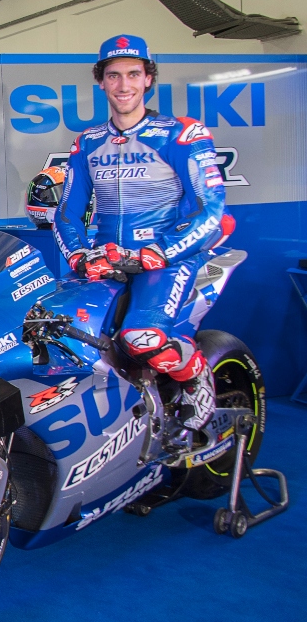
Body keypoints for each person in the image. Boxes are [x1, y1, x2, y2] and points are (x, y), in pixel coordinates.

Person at [55, 34, 228, 438]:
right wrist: (80, 254)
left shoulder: (181, 134)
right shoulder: (87, 142)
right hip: (105, 260)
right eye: (113, 76)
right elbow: (67, 212)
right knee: (60, 335)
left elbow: (211, 208)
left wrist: (160, 252)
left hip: (165, 260)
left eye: (134, 74)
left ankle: (196, 375)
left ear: (149, 79)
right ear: (101, 82)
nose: (124, 85)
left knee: (141, 337)